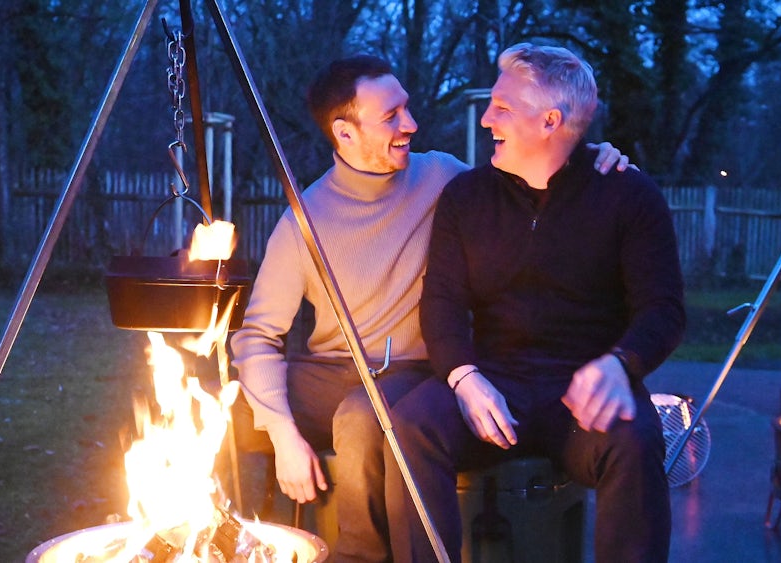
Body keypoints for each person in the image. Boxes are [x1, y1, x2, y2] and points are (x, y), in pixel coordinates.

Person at [230, 54, 629, 562]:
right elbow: (258, 335)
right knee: (230, 409)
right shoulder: (303, 222)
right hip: (331, 371)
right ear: (345, 133)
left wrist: (590, 152)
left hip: (414, 370)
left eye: (407, 109)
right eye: (391, 116)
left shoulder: (443, 177)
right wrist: (283, 435)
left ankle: (362, 555)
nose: (411, 124)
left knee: (361, 417)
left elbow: (530, 164)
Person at [387, 43, 685, 563]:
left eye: (502, 107)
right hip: (493, 384)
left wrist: (622, 364)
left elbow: (663, 309)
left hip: (583, 394)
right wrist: (462, 375)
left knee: (635, 443)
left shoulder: (627, 194)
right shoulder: (467, 197)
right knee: (412, 425)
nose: (485, 119)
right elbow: (443, 301)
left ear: (551, 121)